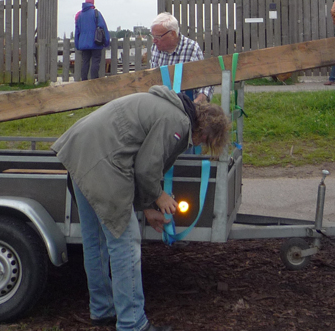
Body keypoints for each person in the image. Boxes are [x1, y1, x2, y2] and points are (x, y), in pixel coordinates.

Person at [53, 87, 230, 331]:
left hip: (82, 153)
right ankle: (132, 323)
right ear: (206, 131)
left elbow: (135, 155)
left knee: (96, 242)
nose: (199, 145)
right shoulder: (177, 122)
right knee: (125, 245)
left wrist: (147, 208)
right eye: (205, 142)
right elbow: (146, 170)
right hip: (104, 163)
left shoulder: (168, 107)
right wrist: (159, 197)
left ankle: (102, 309)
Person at [149, 13, 212, 102]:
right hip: (162, 104)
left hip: (186, 104)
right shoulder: (155, 48)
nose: (154, 41)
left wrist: (196, 104)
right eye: (152, 36)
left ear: (173, 34)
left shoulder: (192, 48)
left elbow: (205, 83)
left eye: (158, 37)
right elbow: (153, 79)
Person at [75, 0, 110, 80]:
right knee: (95, 61)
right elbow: (103, 28)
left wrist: (77, 45)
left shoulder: (80, 15)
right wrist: (106, 42)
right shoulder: (96, 13)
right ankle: (94, 80)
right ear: (93, 3)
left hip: (83, 43)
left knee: (85, 62)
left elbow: (77, 31)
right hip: (96, 42)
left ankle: (84, 80)